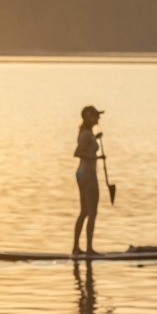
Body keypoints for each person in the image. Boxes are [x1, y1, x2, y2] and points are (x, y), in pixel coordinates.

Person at [71, 105, 104, 256]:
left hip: (83, 174)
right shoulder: (85, 134)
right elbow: (78, 152)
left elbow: (86, 147)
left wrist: (95, 139)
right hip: (88, 175)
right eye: (96, 115)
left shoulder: (87, 133)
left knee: (85, 211)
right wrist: (97, 157)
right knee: (91, 212)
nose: (98, 118)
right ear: (88, 117)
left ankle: (77, 248)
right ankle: (89, 249)